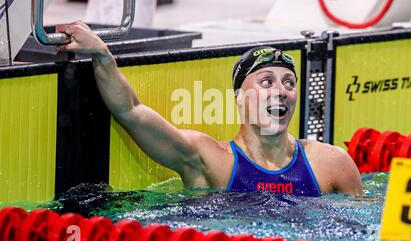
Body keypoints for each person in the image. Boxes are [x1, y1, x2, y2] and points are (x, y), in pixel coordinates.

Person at [56, 21, 363, 197]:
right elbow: (131, 112)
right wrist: (101, 53)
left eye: (289, 83)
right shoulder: (209, 159)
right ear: (240, 98)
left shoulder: (332, 164)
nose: (281, 91)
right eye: (266, 82)